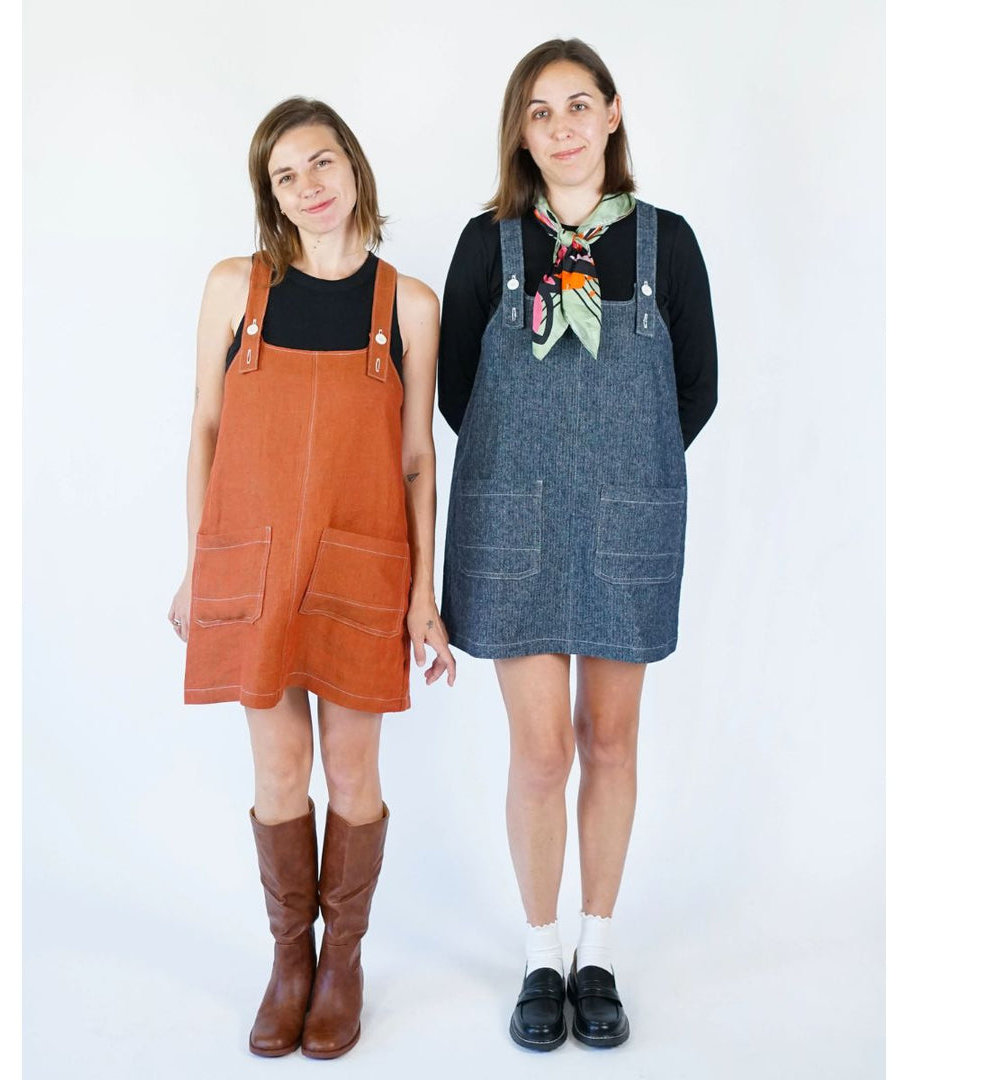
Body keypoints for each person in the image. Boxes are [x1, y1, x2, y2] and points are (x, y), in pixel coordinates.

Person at [438, 40, 717, 1050]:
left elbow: (699, 388)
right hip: (512, 516)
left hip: (628, 516)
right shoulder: (489, 245)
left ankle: (596, 949)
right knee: (542, 752)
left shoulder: (665, 244)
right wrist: (538, 470)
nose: (560, 125)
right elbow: (457, 392)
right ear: (521, 131)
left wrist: (619, 468)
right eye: (539, 110)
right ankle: (539, 956)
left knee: (610, 739)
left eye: (578, 104)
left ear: (610, 116)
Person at [168, 96, 455, 1060]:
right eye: (286, 177)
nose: (309, 188)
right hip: (252, 564)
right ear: (271, 196)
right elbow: (206, 430)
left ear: (354, 165)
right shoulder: (233, 289)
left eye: (321, 163)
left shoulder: (407, 305)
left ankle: (345, 965)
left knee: (353, 770)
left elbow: (418, 459)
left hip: (364, 564)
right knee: (279, 768)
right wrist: (197, 564)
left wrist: (424, 595)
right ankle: (292, 961)